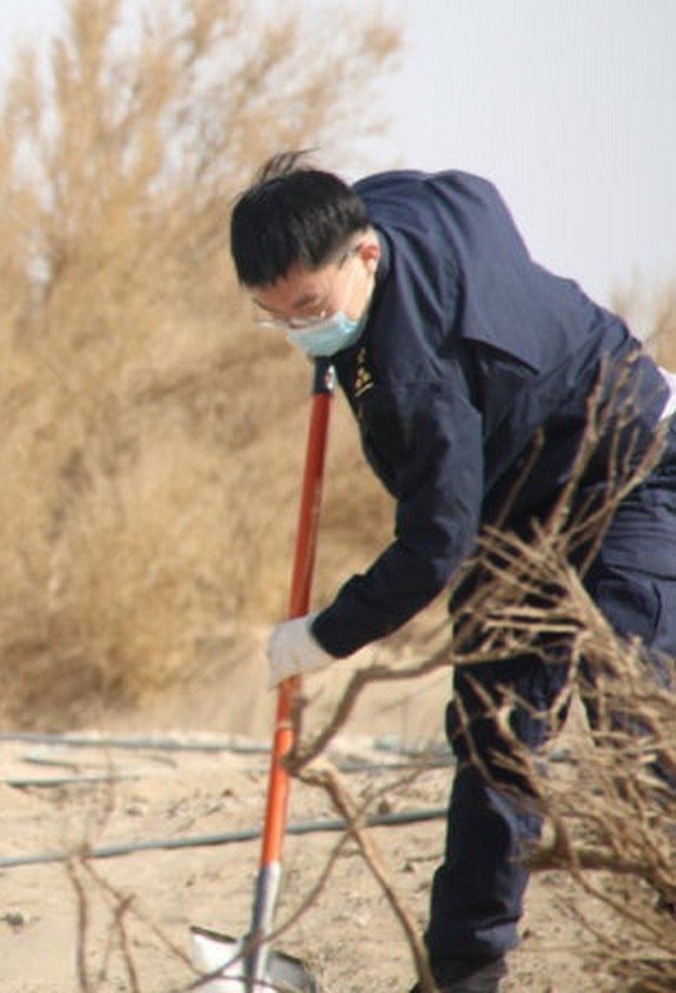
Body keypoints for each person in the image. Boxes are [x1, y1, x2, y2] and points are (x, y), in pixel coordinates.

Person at [228, 153, 676, 993]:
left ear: (364, 256)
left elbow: (435, 543)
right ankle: (463, 972)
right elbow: (470, 190)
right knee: (495, 728)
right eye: (275, 317)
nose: (299, 332)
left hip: (630, 465)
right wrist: (330, 334)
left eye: (311, 311)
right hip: (520, 505)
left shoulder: (413, 375)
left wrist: (325, 634)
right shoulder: (386, 208)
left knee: (632, 713)